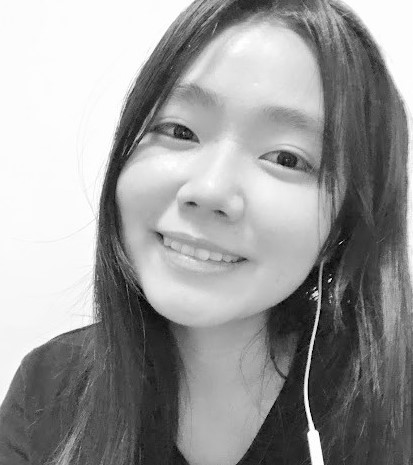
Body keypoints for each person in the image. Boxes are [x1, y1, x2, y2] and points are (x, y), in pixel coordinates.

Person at [0, 0, 411, 464]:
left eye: (286, 159)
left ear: (344, 223)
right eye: (179, 130)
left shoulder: (395, 404)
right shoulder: (50, 389)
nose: (210, 189)